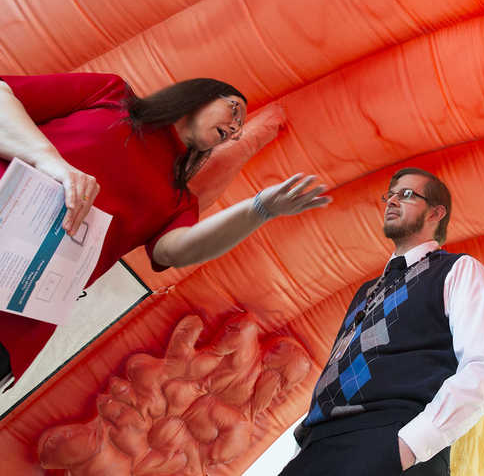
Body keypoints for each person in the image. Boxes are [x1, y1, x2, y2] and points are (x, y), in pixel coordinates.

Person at [0, 72, 330, 389]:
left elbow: (176, 250)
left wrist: (259, 209)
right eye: (234, 111)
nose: (234, 128)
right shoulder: (111, 95)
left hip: (14, 318)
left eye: (238, 129)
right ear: (201, 94)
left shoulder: (178, 200)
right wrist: (48, 161)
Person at [282, 168, 484, 475]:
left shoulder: (458, 269)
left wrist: (408, 446)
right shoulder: (365, 291)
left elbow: (483, 371)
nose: (392, 202)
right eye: (391, 195)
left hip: (388, 440)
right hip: (316, 449)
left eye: (408, 195)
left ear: (436, 213)